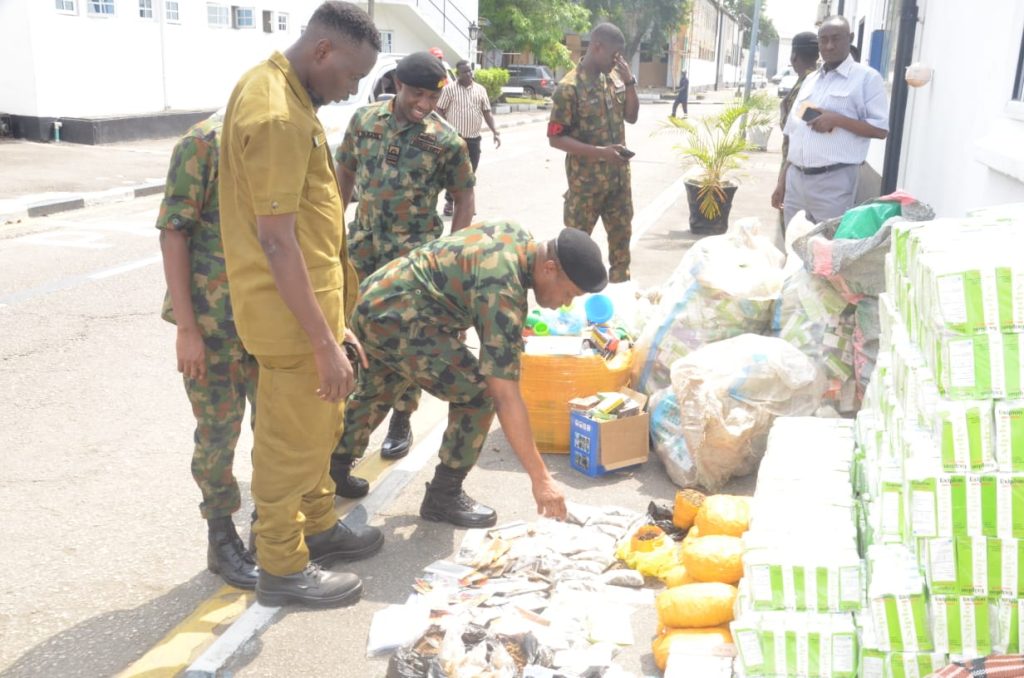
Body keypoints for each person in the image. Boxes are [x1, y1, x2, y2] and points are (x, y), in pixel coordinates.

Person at [218, 1, 385, 609]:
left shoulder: (290, 95)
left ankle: (317, 525)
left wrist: (336, 324)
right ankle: (282, 568)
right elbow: (276, 239)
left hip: (312, 313)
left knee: (319, 429)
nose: (352, 90)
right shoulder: (277, 113)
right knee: (290, 445)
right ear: (323, 52)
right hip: (291, 324)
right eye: (351, 77)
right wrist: (321, 340)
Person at [332, 222, 607, 529]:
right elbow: (504, 394)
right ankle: (443, 494)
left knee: (382, 386)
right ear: (549, 268)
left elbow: (459, 267)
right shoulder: (503, 291)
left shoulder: (516, 236)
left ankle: (335, 468)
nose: (565, 304)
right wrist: (541, 479)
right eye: (568, 293)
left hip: (379, 299)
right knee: (480, 394)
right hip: (402, 317)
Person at [330, 52, 476, 487]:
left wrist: (449, 256)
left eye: (433, 97)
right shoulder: (365, 121)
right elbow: (344, 173)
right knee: (355, 335)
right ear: (397, 84)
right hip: (364, 247)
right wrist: (331, 228)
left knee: (408, 339)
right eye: (417, 94)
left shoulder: (445, 141)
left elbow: (464, 198)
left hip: (415, 256)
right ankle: (345, 429)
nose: (424, 104)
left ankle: (401, 418)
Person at [156, 111, 259, 590]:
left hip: (268, 320)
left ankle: (270, 525)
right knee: (218, 432)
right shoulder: (203, 143)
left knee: (278, 425)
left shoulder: (285, 135)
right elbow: (174, 231)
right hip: (213, 322)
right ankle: (221, 536)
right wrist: (187, 329)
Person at [548, 22, 639, 284]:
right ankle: (566, 307)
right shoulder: (569, 87)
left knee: (621, 252)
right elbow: (555, 138)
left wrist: (630, 82)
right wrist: (600, 152)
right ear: (596, 46)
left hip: (618, 184)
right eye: (614, 55)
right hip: (585, 188)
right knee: (573, 255)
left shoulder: (612, 80)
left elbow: (631, 117)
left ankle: (619, 302)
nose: (617, 61)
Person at [780, 16, 888, 228]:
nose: (829, 46)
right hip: (795, 180)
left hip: (833, 181)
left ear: (851, 38)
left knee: (827, 248)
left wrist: (837, 119)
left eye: (836, 39)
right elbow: (794, 131)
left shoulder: (867, 78)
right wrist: (781, 180)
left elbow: (880, 129)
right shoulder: (810, 80)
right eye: (823, 40)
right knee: (793, 244)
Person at [437, 60, 501, 217]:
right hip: (455, 139)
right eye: (465, 72)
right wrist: (445, 128)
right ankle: (450, 202)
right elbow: (439, 109)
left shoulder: (480, 90)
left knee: (470, 172)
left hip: (473, 139)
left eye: (470, 71)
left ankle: (467, 203)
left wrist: (495, 131)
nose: (469, 74)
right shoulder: (449, 90)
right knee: (453, 171)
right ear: (458, 74)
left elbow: (487, 112)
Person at [770, 32, 819, 223]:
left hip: (796, 170)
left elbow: (798, 137)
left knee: (794, 231)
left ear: (793, 56)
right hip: (810, 170)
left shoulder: (805, 87)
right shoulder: (817, 82)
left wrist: (782, 181)